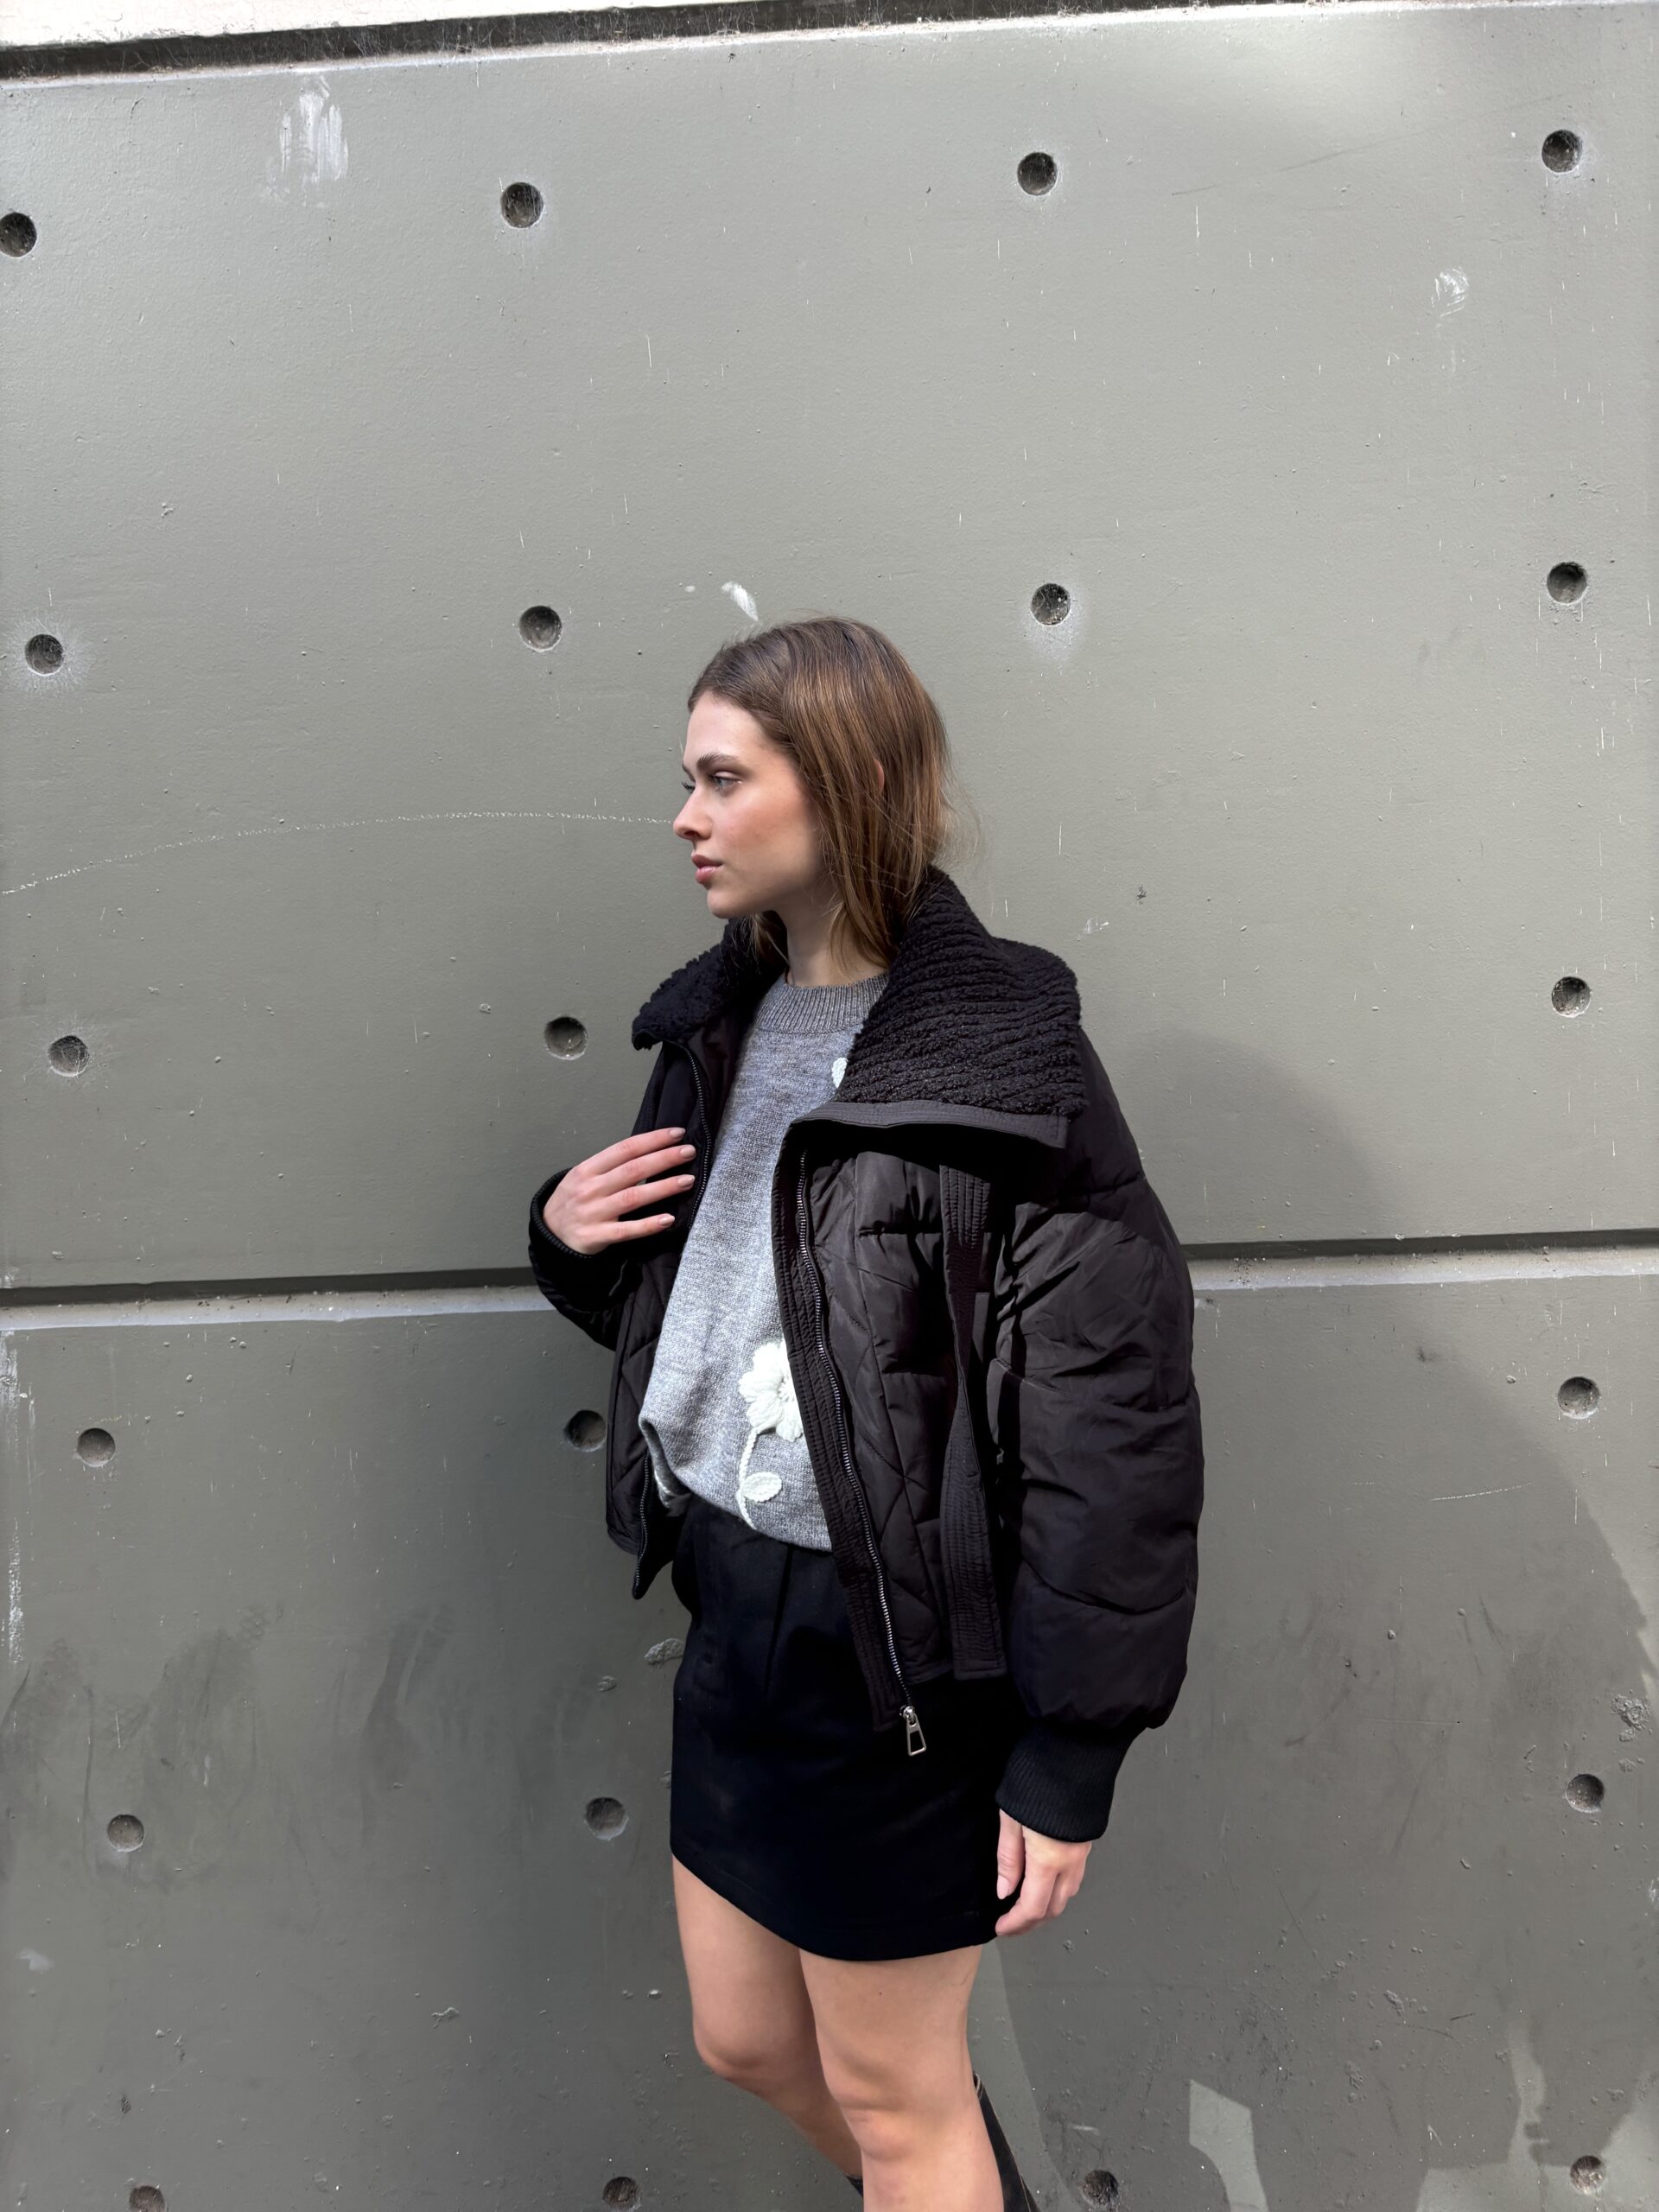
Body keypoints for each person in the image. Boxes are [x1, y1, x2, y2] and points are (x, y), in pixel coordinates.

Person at [528, 616, 1204, 2212]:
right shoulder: (720, 1023)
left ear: (844, 785)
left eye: (722, 780)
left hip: (894, 1653)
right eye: (688, 780)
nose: (686, 819)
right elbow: (731, 1316)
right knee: (748, 2040)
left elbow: (1113, 1412)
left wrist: (1072, 1748)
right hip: (733, 1617)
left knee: (900, 2103)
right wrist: (567, 1243)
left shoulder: (1000, 1053)